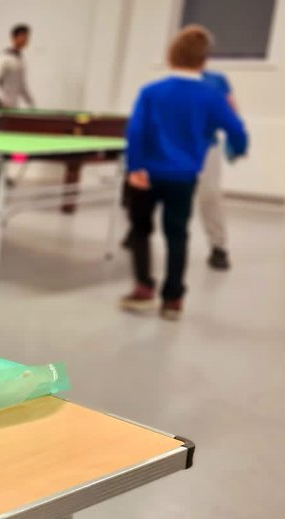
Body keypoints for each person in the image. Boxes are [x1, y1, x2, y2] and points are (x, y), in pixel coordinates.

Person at [121, 25, 247, 321]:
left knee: (141, 230)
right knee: (177, 234)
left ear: (169, 56)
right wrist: (238, 148)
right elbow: (235, 126)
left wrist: (134, 166)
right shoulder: (211, 94)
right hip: (183, 176)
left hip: (147, 175)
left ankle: (143, 286)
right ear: (204, 61)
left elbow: (136, 131)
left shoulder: (151, 92)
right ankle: (173, 298)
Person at [197, 68, 238, 270]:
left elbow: (230, 108)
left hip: (207, 146)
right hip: (175, 144)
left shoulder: (216, 80)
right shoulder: (173, 80)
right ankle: (137, 232)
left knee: (210, 194)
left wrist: (234, 137)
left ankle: (218, 247)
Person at [0, 24, 34, 109]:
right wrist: (0, 99)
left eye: (27, 37)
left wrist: (31, 104)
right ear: (13, 37)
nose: (25, 39)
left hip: (13, 106)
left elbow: (22, 85)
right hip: (2, 107)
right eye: (22, 36)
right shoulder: (4, 58)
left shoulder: (20, 60)